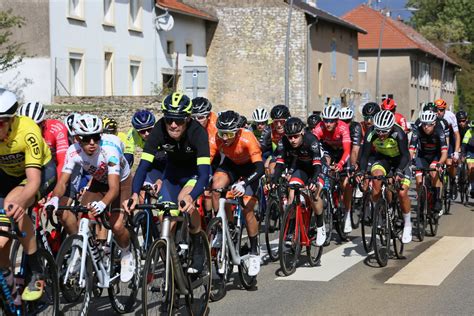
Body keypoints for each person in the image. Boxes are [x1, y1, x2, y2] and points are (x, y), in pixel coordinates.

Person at [125, 92, 211, 274]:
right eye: (169, 119)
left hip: (194, 173)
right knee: (167, 219)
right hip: (172, 174)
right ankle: (173, 271)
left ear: (187, 119)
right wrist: (134, 193)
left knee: (184, 201)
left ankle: (197, 245)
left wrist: (192, 196)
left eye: (179, 120)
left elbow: (204, 175)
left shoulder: (198, 133)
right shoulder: (158, 130)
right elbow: (143, 167)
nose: (173, 124)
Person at [44, 114, 136, 282]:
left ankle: (126, 252)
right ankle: (84, 250)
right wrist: (55, 198)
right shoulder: (73, 152)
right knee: (81, 218)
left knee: (116, 225)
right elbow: (63, 181)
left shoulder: (110, 150)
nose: (92, 143)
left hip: (121, 182)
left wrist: (103, 203)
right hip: (99, 182)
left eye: (95, 137)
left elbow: (114, 188)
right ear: (78, 138)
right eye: (87, 139)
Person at [0, 88, 56, 301]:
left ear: (11, 119)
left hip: (40, 172)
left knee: (14, 204)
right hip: (6, 174)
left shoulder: (27, 131)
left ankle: (36, 269)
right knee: (1, 242)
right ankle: (10, 289)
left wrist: (22, 202)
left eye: (0, 123)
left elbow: (33, 181)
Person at [210, 111, 263, 276]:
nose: (225, 138)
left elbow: (260, 168)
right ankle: (224, 227)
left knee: (247, 209)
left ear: (238, 131)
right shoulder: (217, 138)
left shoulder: (248, 138)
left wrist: (244, 183)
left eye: (229, 134)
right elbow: (207, 161)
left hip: (250, 169)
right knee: (216, 187)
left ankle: (254, 251)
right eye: (222, 133)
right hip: (231, 166)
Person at [269, 117, 326, 246]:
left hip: (317, 166)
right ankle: (290, 230)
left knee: (314, 194)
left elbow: (317, 166)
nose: (292, 140)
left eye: (295, 136)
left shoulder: (311, 140)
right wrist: (273, 179)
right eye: (290, 137)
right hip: (301, 167)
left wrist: (313, 180)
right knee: (292, 193)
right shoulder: (284, 141)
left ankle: (320, 226)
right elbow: (279, 164)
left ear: (302, 133)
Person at [358, 110, 413, 243]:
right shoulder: (371, 133)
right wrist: (362, 172)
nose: (381, 135)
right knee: (376, 178)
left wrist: (399, 171)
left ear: (391, 127)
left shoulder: (399, 133)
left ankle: (407, 224)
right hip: (383, 159)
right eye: (379, 131)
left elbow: (406, 155)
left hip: (400, 161)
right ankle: (379, 212)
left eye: (384, 131)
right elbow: (364, 155)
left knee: (401, 193)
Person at [312, 105, 353, 234]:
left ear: (336, 121)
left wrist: (341, 164)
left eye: (331, 121)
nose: (328, 123)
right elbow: (312, 144)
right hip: (328, 149)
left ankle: (347, 214)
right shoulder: (319, 128)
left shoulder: (343, 127)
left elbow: (347, 150)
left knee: (346, 183)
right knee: (325, 164)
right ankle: (326, 189)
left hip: (342, 151)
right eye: (326, 120)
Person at [409, 111, 448, 212]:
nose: (426, 127)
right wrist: (409, 162)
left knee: (433, 172)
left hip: (436, 156)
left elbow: (444, 152)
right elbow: (411, 150)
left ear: (434, 123)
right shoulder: (417, 131)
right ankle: (421, 201)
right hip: (422, 156)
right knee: (418, 180)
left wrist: (440, 163)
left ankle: (438, 199)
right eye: (424, 124)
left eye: (429, 124)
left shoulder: (439, 131)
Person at [19, 102, 69, 179]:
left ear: (43, 123)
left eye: (35, 125)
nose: (30, 130)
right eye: (26, 126)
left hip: (57, 166)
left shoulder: (56, 128)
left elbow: (63, 161)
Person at [434, 99, 461, 199]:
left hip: (450, 139)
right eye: (437, 109)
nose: (439, 112)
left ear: (444, 109)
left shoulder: (450, 116)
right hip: (437, 141)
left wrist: (456, 152)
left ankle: (453, 180)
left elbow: (457, 135)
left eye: (441, 110)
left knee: (450, 163)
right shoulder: (433, 116)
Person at [262, 105, 291, 174]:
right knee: (271, 171)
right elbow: (262, 146)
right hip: (278, 152)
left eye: (282, 122)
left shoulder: (293, 127)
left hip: (295, 154)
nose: (278, 125)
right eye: (275, 122)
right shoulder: (269, 128)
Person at [461, 121, 474, 197]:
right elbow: (464, 144)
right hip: (470, 151)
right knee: (471, 168)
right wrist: (463, 154)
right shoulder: (469, 131)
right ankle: (471, 186)